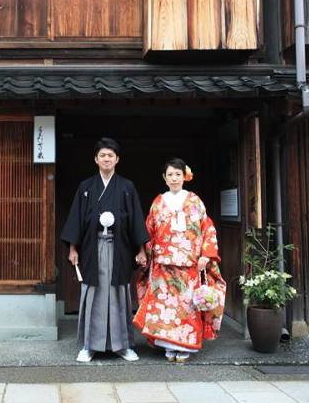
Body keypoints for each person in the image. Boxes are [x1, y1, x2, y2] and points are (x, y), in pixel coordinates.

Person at [61, 137, 150, 363]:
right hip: (93, 247)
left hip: (118, 248)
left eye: (111, 155)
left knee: (118, 293)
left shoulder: (127, 187)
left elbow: (136, 221)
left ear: (117, 159)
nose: (107, 159)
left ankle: (123, 345)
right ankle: (90, 345)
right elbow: (76, 220)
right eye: (103, 155)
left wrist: (141, 249)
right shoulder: (86, 187)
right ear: (96, 159)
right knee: (93, 292)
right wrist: (73, 248)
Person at [133, 158, 226, 362]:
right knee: (164, 305)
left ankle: (185, 345)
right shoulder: (158, 202)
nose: (174, 178)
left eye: (177, 174)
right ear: (164, 178)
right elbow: (150, 230)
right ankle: (168, 344)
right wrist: (144, 252)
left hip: (189, 263)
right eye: (170, 175)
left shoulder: (194, 200)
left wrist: (206, 255)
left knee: (186, 306)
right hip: (163, 264)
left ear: (185, 176)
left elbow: (207, 227)